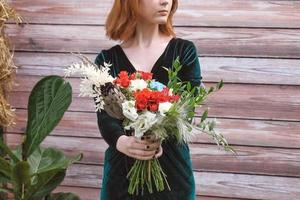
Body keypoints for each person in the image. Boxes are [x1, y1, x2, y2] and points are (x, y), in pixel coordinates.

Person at [94, 0, 203, 199]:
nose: (165, 2)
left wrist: (160, 132)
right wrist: (122, 142)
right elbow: (104, 115)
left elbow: (187, 110)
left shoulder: (184, 52)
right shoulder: (107, 60)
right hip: (121, 177)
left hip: (173, 175)